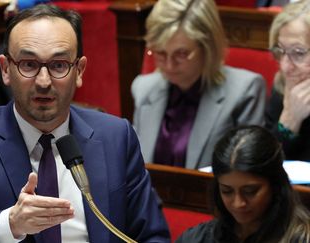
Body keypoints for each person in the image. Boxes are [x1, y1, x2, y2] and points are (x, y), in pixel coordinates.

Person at [0, 4, 170, 243]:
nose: (43, 81)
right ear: (6, 69)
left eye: (59, 65)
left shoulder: (116, 137)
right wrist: (10, 224)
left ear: (80, 71)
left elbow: (152, 235)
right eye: (29, 65)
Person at [131, 0, 266, 169]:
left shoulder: (245, 91)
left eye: (181, 54)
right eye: (160, 53)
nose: (169, 65)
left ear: (207, 47)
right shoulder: (142, 88)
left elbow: (248, 173)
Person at [176, 125, 310, 243]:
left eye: (250, 191)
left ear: (275, 185)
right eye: (227, 191)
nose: (238, 203)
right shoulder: (197, 239)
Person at [265, 0, 310, 161]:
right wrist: (290, 120)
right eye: (281, 51)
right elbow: (263, 165)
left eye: (298, 53)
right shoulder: (282, 87)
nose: (285, 67)